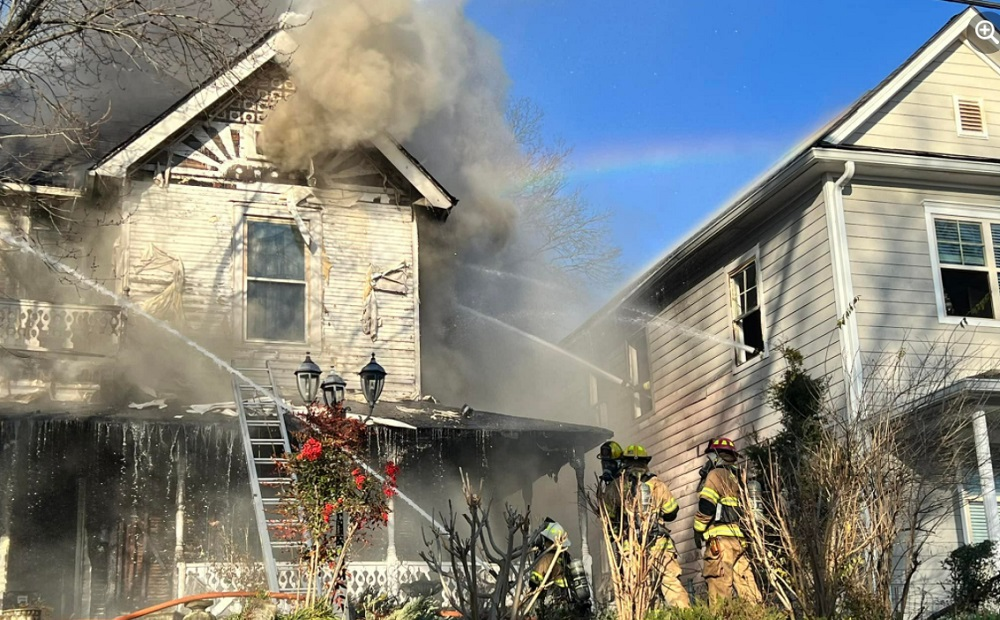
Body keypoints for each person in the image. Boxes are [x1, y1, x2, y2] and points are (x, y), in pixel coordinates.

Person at [619, 444, 690, 609]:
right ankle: (686, 615)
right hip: (659, 543)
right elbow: (672, 512)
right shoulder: (657, 484)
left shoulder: (619, 486)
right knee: (670, 582)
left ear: (624, 463)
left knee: (637, 587)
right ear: (645, 463)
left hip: (632, 545)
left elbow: (608, 516)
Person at [692, 437, 762, 606]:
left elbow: (707, 506)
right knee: (748, 590)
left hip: (720, 543)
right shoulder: (740, 479)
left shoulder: (716, 474)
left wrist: (697, 529)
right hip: (740, 541)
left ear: (716, 455)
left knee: (719, 591)